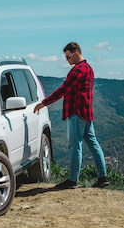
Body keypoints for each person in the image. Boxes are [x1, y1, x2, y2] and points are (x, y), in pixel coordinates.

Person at [33, 42, 109, 189]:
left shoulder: (77, 70)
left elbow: (63, 89)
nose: (67, 60)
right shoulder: (89, 69)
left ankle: (72, 180)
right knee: (94, 144)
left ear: (75, 54)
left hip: (76, 113)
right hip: (87, 113)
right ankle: (102, 177)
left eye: (67, 57)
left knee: (75, 146)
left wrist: (44, 103)